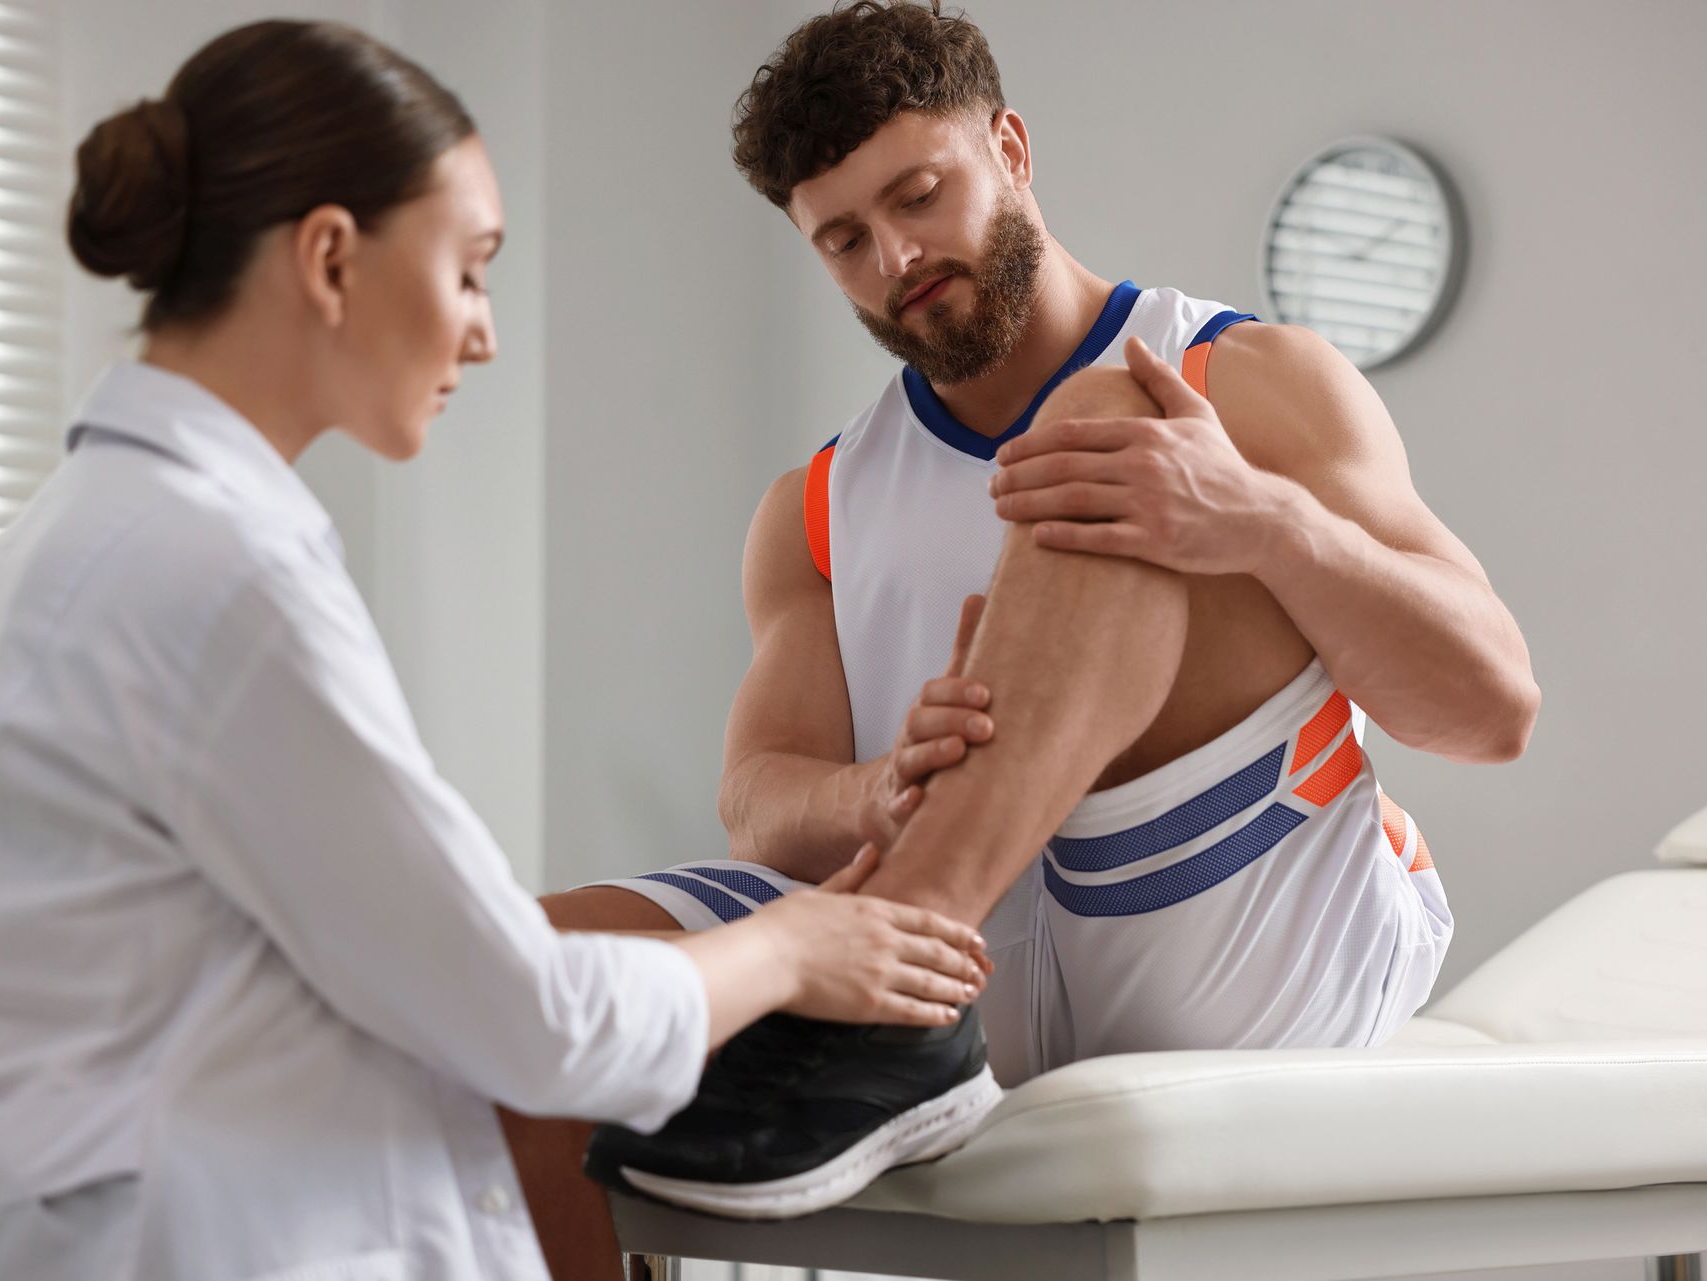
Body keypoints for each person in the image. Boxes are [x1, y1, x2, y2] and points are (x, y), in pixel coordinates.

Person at [0, 20, 990, 1281]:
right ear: (332, 258)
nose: (484, 333)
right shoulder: (218, 578)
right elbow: (531, 1020)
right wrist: (795, 948)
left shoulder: (57, 551)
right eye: (469, 270)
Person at [509, 0, 1539, 1246]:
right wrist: (877, 789)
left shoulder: (1232, 380)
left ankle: (906, 965)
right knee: (522, 988)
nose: (893, 257)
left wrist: (1263, 522)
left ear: (1009, 147)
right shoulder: (817, 505)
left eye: (921, 195)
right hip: (964, 983)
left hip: (1236, 917)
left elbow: (1492, 711)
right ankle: (909, 975)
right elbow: (760, 801)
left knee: (1113, 421)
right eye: (843, 238)